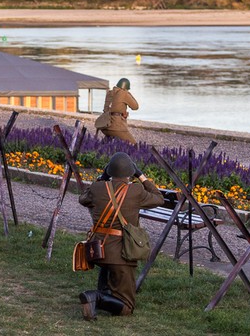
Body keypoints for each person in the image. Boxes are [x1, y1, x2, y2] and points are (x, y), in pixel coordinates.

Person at [78, 152, 163, 320]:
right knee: (127, 307)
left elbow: (83, 198)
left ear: (109, 172)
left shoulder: (97, 188)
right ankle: (97, 297)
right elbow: (159, 199)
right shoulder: (137, 190)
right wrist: (142, 176)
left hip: (97, 251)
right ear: (130, 173)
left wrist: (102, 178)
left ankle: (104, 292)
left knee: (108, 268)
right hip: (122, 255)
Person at [96, 78, 139, 144]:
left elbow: (111, 108)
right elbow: (135, 107)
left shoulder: (109, 92)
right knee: (134, 145)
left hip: (104, 125)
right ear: (126, 88)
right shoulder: (124, 93)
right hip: (116, 126)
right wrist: (128, 93)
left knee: (105, 145)